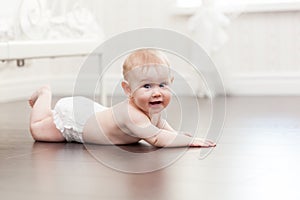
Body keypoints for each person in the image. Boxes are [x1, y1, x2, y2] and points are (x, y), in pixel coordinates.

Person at [29, 49, 216, 148]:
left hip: (96, 113)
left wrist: (177, 136)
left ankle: (49, 110)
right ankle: (45, 94)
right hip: (78, 123)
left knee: (48, 121)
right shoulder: (132, 115)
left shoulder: (152, 110)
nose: (157, 92)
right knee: (39, 129)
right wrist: (189, 141)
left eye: (162, 85)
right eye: (147, 86)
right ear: (128, 90)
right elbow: (158, 139)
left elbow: (163, 128)